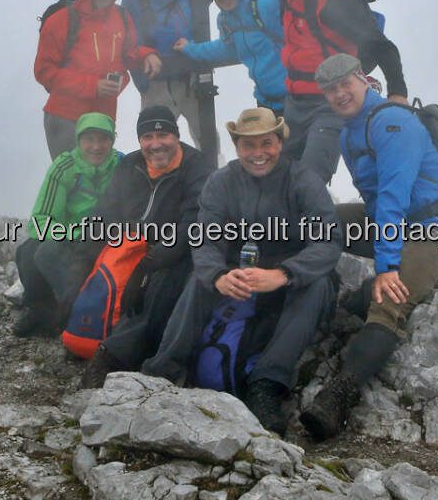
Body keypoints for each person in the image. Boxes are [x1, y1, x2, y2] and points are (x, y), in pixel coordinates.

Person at [140, 107, 340, 433]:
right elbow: (205, 237)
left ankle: (266, 385)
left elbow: (328, 241)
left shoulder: (304, 181)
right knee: (198, 280)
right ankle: (163, 369)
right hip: (238, 271)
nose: (258, 153)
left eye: (266, 143)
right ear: (237, 147)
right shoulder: (221, 182)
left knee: (317, 285)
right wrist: (218, 275)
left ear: (280, 142)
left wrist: (284, 274)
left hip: (287, 274)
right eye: (248, 145)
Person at [299, 54, 438, 441]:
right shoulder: (349, 130)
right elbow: (377, 205)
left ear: (363, 79)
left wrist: (386, 269)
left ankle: (337, 396)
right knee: (315, 220)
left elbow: (392, 199)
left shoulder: (392, 123)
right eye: (331, 89)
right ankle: (310, 296)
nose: (339, 94)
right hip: (393, 223)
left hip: (432, 231)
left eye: (345, 84)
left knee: (386, 301)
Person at [78, 105, 215, 388]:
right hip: (129, 244)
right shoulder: (130, 165)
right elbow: (106, 209)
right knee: (79, 256)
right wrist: (88, 239)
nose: (155, 144)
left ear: (175, 136)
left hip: (171, 250)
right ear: (140, 140)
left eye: (163, 134)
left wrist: (152, 261)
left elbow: (195, 223)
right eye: (147, 137)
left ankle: (110, 356)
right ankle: (76, 327)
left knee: (162, 281)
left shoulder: (196, 166)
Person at [262, 0, 409, 184]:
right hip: (295, 102)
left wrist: (398, 95)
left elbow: (382, 46)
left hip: (330, 101)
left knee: (310, 179)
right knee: (279, 176)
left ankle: (319, 223)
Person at [35, 0, 162, 160]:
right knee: (70, 182)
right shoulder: (61, 21)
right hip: (66, 117)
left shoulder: (121, 17)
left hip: (102, 118)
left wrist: (146, 55)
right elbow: (44, 71)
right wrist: (93, 86)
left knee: (99, 185)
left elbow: (129, 53)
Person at [12, 113, 122, 338]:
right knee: (29, 250)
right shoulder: (64, 167)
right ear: (78, 140)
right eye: (88, 139)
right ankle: (39, 310)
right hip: (71, 237)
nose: (96, 146)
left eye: (103, 139)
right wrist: (73, 237)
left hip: (108, 239)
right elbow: (41, 219)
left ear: (112, 140)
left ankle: (78, 312)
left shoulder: (123, 165)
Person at [121, 0, 213, 148]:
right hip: (156, 83)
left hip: (192, 77)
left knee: (208, 140)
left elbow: (198, 16)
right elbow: (127, 43)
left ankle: (212, 178)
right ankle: (157, 181)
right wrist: (142, 84)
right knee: (156, 143)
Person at [172, 0, 287, 115]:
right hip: (266, 102)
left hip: (295, 98)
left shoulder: (263, 5)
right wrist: (190, 48)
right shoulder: (225, 20)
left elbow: (300, 31)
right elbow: (225, 49)